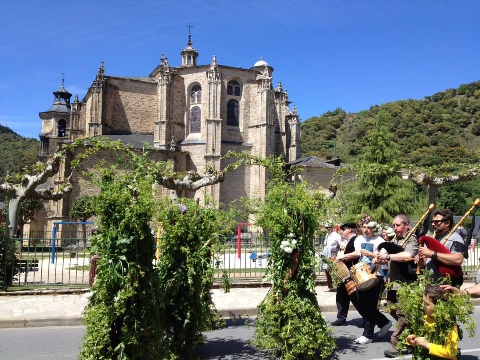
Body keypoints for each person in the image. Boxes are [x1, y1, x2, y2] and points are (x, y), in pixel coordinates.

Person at [342, 220, 392, 344]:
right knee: (360, 303)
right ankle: (384, 322)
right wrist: (343, 256)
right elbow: (357, 253)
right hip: (360, 275)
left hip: (375, 275)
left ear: (374, 228)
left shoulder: (380, 241)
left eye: (368, 227)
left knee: (370, 305)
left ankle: (368, 335)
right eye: (364, 227)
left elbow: (384, 259)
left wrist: (370, 254)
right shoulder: (358, 239)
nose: (366, 229)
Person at [374, 214, 418, 358]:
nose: (395, 228)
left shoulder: (411, 238)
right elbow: (390, 260)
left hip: (406, 283)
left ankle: (395, 344)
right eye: (394, 225)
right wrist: (380, 260)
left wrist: (388, 256)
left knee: (403, 315)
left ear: (407, 225)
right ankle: (413, 337)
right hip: (393, 283)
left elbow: (407, 255)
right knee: (392, 309)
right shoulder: (395, 239)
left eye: (398, 225)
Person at [405, 285, 459, 360]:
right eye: (422, 302)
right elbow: (421, 340)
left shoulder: (449, 325)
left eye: (426, 304)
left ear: (439, 307)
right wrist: (411, 340)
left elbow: (451, 352)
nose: (422, 305)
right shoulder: (424, 319)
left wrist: (428, 345)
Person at [416, 209, 466, 287]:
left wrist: (433, 254)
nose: (433, 224)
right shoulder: (433, 238)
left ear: (447, 223)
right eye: (432, 222)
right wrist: (421, 261)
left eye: (437, 222)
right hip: (431, 282)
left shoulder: (455, 238)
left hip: (446, 284)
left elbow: (458, 259)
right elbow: (426, 263)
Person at [330, 222, 358, 326]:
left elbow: (358, 254)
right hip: (343, 273)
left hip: (351, 272)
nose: (341, 231)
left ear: (350, 230)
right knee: (341, 295)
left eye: (344, 229)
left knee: (355, 296)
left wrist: (343, 257)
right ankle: (341, 318)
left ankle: (367, 318)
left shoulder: (356, 240)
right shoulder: (345, 242)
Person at [321, 222, 342, 292]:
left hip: (333, 254)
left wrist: (336, 254)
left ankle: (340, 285)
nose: (328, 229)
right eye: (327, 228)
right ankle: (330, 286)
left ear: (332, 228)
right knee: (327, 269)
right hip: (326, 253)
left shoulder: (336, 235)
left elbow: (341, 245)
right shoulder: (327, 234)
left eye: (329, 227)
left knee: (334, 269)